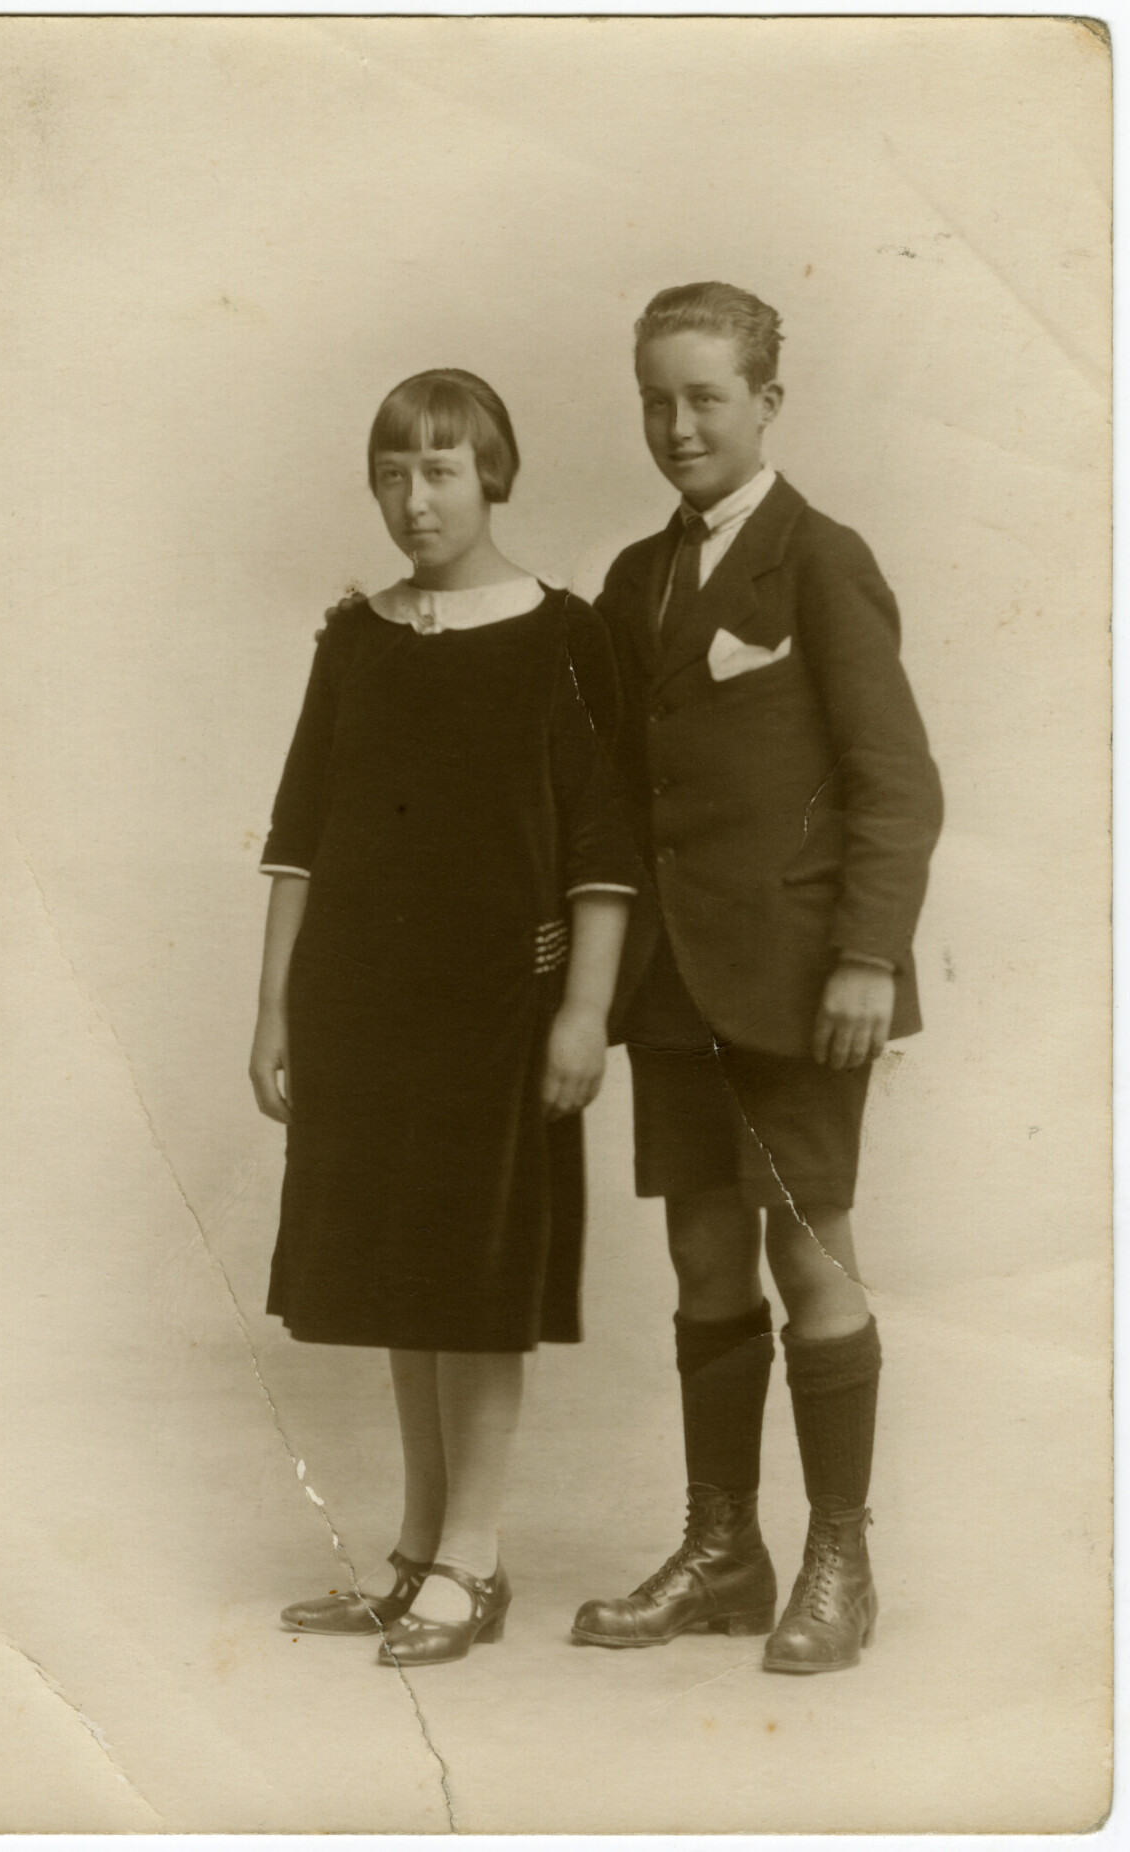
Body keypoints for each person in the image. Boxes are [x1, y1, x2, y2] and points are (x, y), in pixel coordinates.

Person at [571, 283, 943, 1674]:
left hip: (801, 984)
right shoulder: (634, 579)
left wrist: (867, 956)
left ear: (768, 404)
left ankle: (843, 1559)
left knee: (809, 1253)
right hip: (675, 982)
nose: (678, 427)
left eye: (706, 398)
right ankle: (724, 1550)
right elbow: (608, 784)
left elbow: (897, 784)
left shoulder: (820, 559)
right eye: (655, 401)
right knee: (704, 1256)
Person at [250, 369, 637, 1668]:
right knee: (403, 1276)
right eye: (392, 474)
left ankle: (473, 1557)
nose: (415, 500)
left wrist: (583, 1009)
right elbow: (299, 836)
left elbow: (603, 844)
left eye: (441, 471)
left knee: (476, 1281)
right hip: (361, 1008)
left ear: (493, 475)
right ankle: (420, 1551)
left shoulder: (563, 635)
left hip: (497, 1012)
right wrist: (274, 1011)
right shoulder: (353, 638)